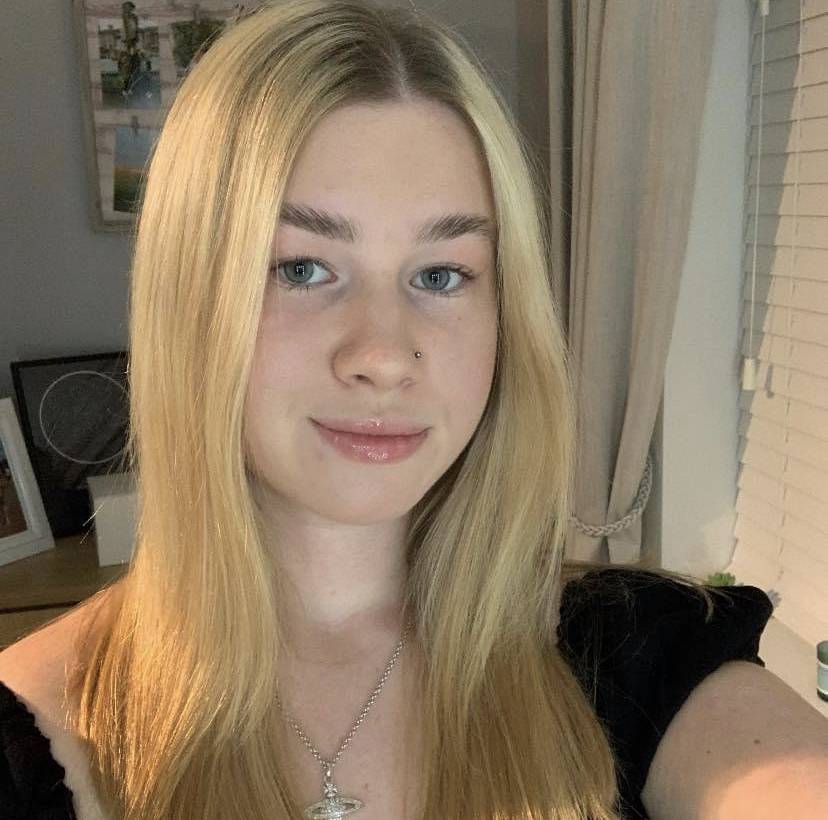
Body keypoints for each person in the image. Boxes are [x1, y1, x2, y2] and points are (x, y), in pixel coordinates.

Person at [1, 1, 826, 819]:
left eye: (440, 275)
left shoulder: (645, 657)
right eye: (300, 268)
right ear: (189, 305)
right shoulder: (29, 737)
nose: (385, 355)